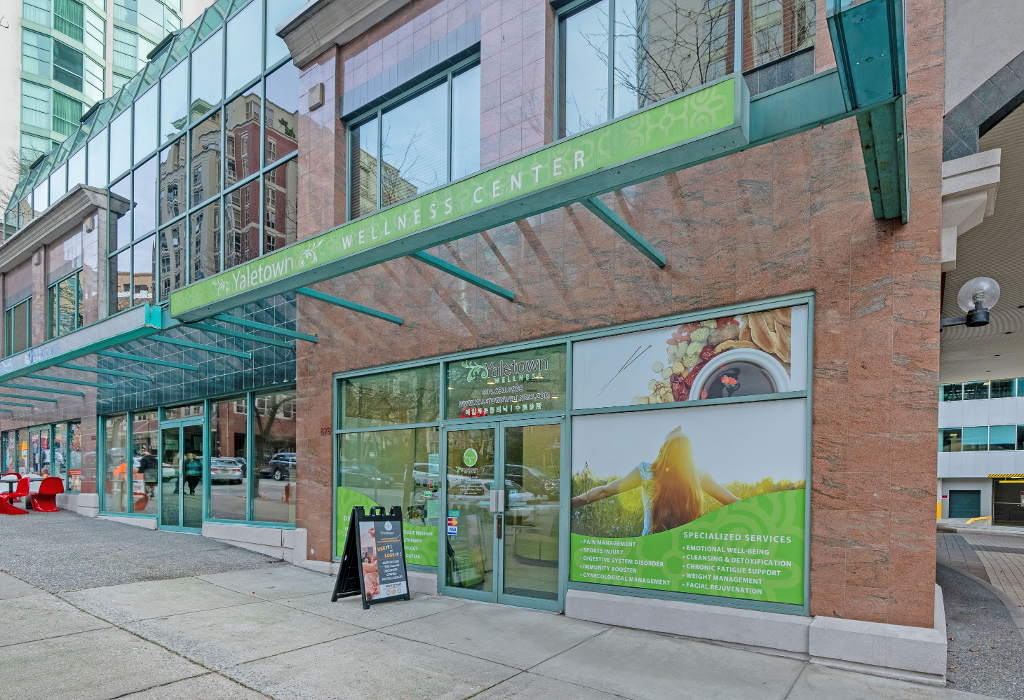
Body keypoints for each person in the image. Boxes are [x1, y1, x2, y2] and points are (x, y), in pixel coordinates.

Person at [570, 426, 740, 535]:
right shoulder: (696, 473)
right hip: (685, 546)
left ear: (664, 449)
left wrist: (569, 503)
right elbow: (732, 501)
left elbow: (605, 491)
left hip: (651, 546)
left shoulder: (648, 472)